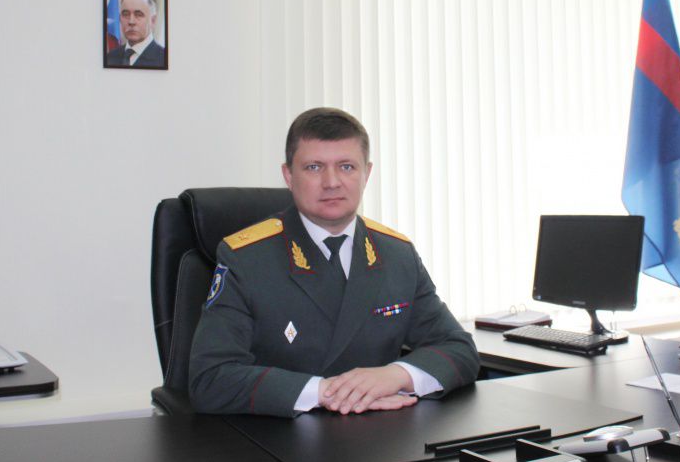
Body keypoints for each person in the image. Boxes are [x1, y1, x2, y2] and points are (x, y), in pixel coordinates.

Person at [189, 107, 479, 417]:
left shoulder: (396, 254)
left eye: (346, 166)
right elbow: (210, 378)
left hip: (381, 432)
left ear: (366, 174)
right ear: (288, 175)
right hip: (281, 434)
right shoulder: (247, 259)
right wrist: (325, 392)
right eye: (314, 167)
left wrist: (396, 375)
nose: (332, 182)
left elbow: (459, 349)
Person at [105, 0, 165, 68]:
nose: (131, 21)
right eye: (125, 14)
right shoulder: (110, 56)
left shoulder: (165, 58)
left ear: (153, 20)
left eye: (139, 15)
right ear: (120, 18)